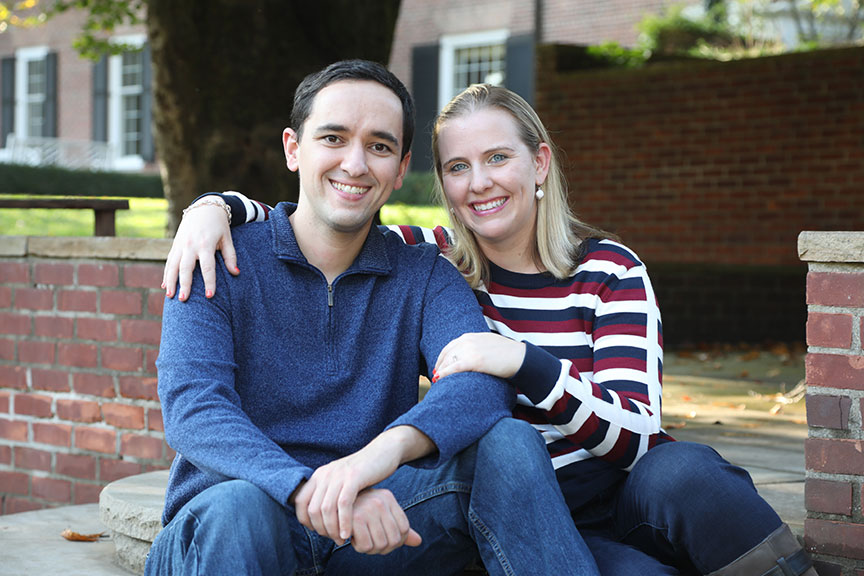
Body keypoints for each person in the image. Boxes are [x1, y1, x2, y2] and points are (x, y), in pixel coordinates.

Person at [164, 83, 818, 576]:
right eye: (458, 167)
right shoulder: (432, 255)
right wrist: (214, 208)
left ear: (538, 164)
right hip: (463, 506)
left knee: (681, 471)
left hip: (605, 489)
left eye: (498, 158)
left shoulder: (595, 269)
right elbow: (317, 220)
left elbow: (621, 433)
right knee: (242, 508)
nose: (480, 183)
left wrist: (520, 362)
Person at [150, 61, 601, 576]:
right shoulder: (216, 254)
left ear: (401, 167)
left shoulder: (423, 272)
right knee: (241, 508)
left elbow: (478, 387)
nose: (356, 163)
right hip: (229, 529)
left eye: (380, 146)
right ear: (294, 149)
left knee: (509, 441)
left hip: (371, 528)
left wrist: (375, 463)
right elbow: (195, 410)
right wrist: (306, 489)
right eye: (334, 138)